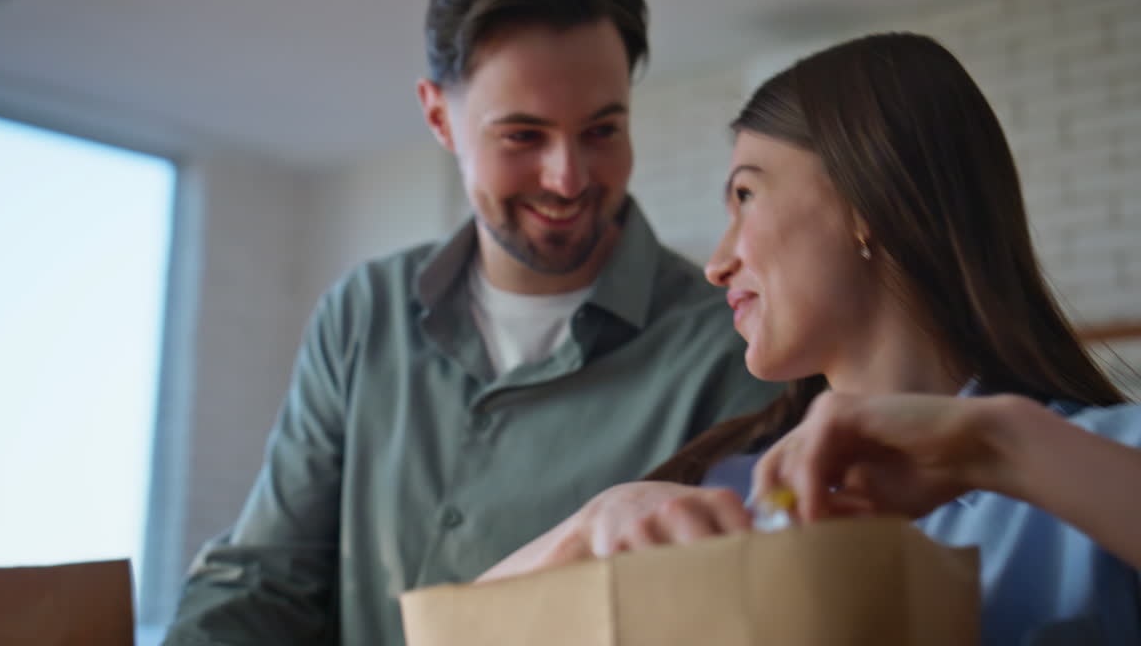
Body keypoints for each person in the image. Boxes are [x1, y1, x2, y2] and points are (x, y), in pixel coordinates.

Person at [161, 0, 781, 644]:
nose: (568, 178)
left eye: (602, 131)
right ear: (438, 117)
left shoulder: (732, 345)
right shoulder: (363, 315)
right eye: (523, 136)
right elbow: (269, 577)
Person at [477, 32, 1141, 645]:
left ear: (867, 202)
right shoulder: (718, 493)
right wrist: (593, 522)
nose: (717, 262)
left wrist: (995, 444)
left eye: (745, 197)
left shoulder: (1101, 461)